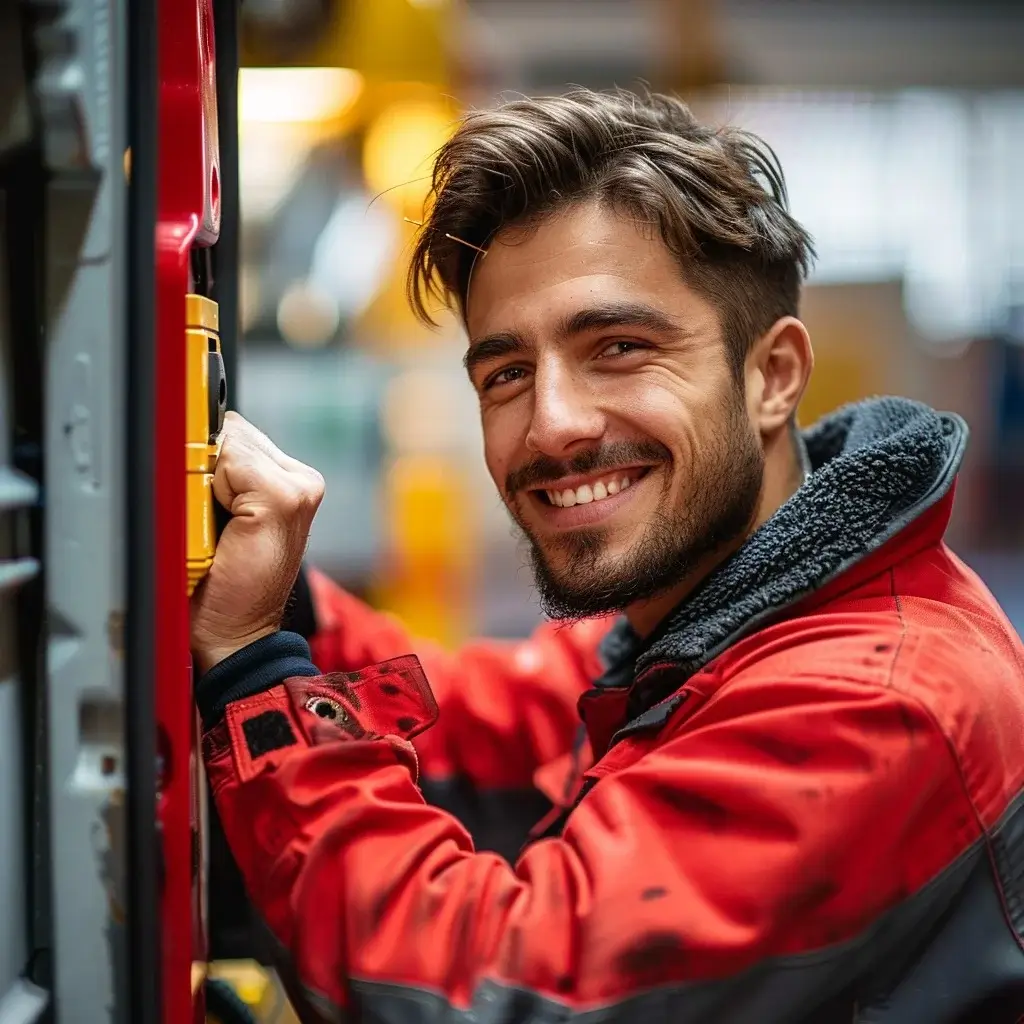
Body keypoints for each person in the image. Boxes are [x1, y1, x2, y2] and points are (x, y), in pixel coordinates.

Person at [191, 89, 1024, 1022]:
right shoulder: (698, 635)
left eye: (619, 348)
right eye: (507, 373)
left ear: (773, 376)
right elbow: (469, 730)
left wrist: (257, 675)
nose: (553, 425)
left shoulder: (875, 700)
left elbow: (502, 994)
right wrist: (281, 605)